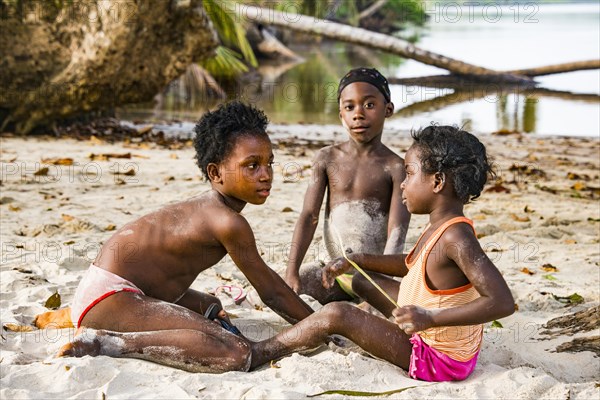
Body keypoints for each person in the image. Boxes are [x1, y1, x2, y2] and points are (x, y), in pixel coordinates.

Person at [57, 101, 314, 373]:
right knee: (235, 353)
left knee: (211, 305)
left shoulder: (213, 207)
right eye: (252, 166)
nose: (266, 175)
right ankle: (105, 342)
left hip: (112, 288)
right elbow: (270, 290)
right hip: (108, 298)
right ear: (215, 173)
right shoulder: (228, 222)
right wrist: (318, 325)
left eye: (269, 163)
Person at [253, 125, 515, 382]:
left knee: (338, 313)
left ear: (437, 182)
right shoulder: (440, 224)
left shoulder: (456, 236)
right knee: (360, 280)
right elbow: (410, 264)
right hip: (424, 326)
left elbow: (501, 301)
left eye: (410, 174)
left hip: (437, 359)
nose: (402, 184)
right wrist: (357, 261)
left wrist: (430, 318)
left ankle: (259, 352)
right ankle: (315, 328)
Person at [284, 67, 411, 304]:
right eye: (349, 107)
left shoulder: (396, 167)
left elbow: (397, 232)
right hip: (330, 273)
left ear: (388, 109)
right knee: (290, 289)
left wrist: (381, 283)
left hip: (373, 276)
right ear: (340, 114)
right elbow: (309, 216)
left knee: (397, 304)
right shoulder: (326, 158)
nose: (358, 114)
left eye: (369, 105)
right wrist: (292, 270)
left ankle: (361, 311)